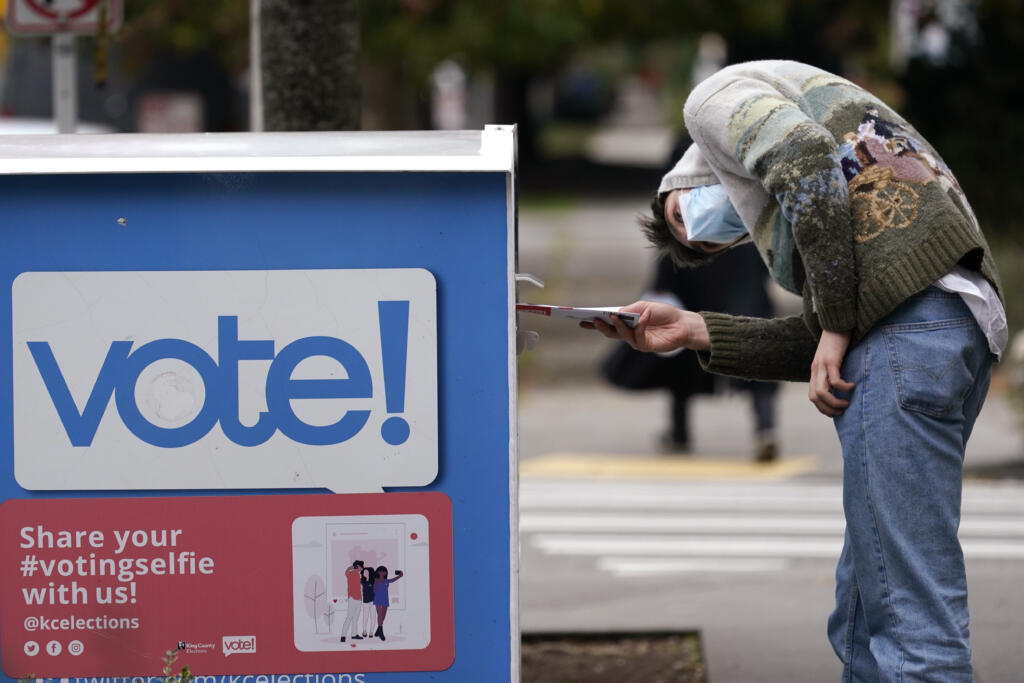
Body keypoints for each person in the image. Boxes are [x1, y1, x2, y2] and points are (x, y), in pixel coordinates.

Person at [587, 60, 1006, 681]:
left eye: (682, 215)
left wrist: (835, 325)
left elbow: (803, 154)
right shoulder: (833, 220)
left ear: (680, 178)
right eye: (704, 244)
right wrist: (697, 329)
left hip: (910, 331)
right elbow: (827, 343)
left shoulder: (709, 103)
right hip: (950, 327)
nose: (704, 227)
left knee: (913, 624)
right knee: (864, 608)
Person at [372, 566, 404, 641]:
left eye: (384, 571)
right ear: (378, 572)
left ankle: (378, 630)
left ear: (386, 573)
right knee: (379, 615)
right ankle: (381, 632)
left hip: (385, 599)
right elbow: (374, 590)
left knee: (383, 616)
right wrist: (376, 584)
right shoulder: (376, 580)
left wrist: (400, 575)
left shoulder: (387, 581)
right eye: (380, 571)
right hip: (378, 599)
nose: (382, 572)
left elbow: (393, 580)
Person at [339, 560, 364, 642]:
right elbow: (346, 572)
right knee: (349, 617)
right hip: (352, 598)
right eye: (361, 566)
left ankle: (354, 634)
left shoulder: (359, 575)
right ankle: (343, 635)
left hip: (359, 599)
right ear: (357, 566)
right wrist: (352, 567)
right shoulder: (351, 573)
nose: (362, 568)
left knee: (355, 618)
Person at [360, 566, 377, 638]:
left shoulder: (374, 581)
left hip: (373, 600)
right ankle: (364, 630)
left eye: (366, 572)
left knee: (373, 616)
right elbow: (360, 590)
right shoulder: (362, 580)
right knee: (365, 616)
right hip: (365, 601)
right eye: (364, 572)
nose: (365, 573)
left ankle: (371, 632)